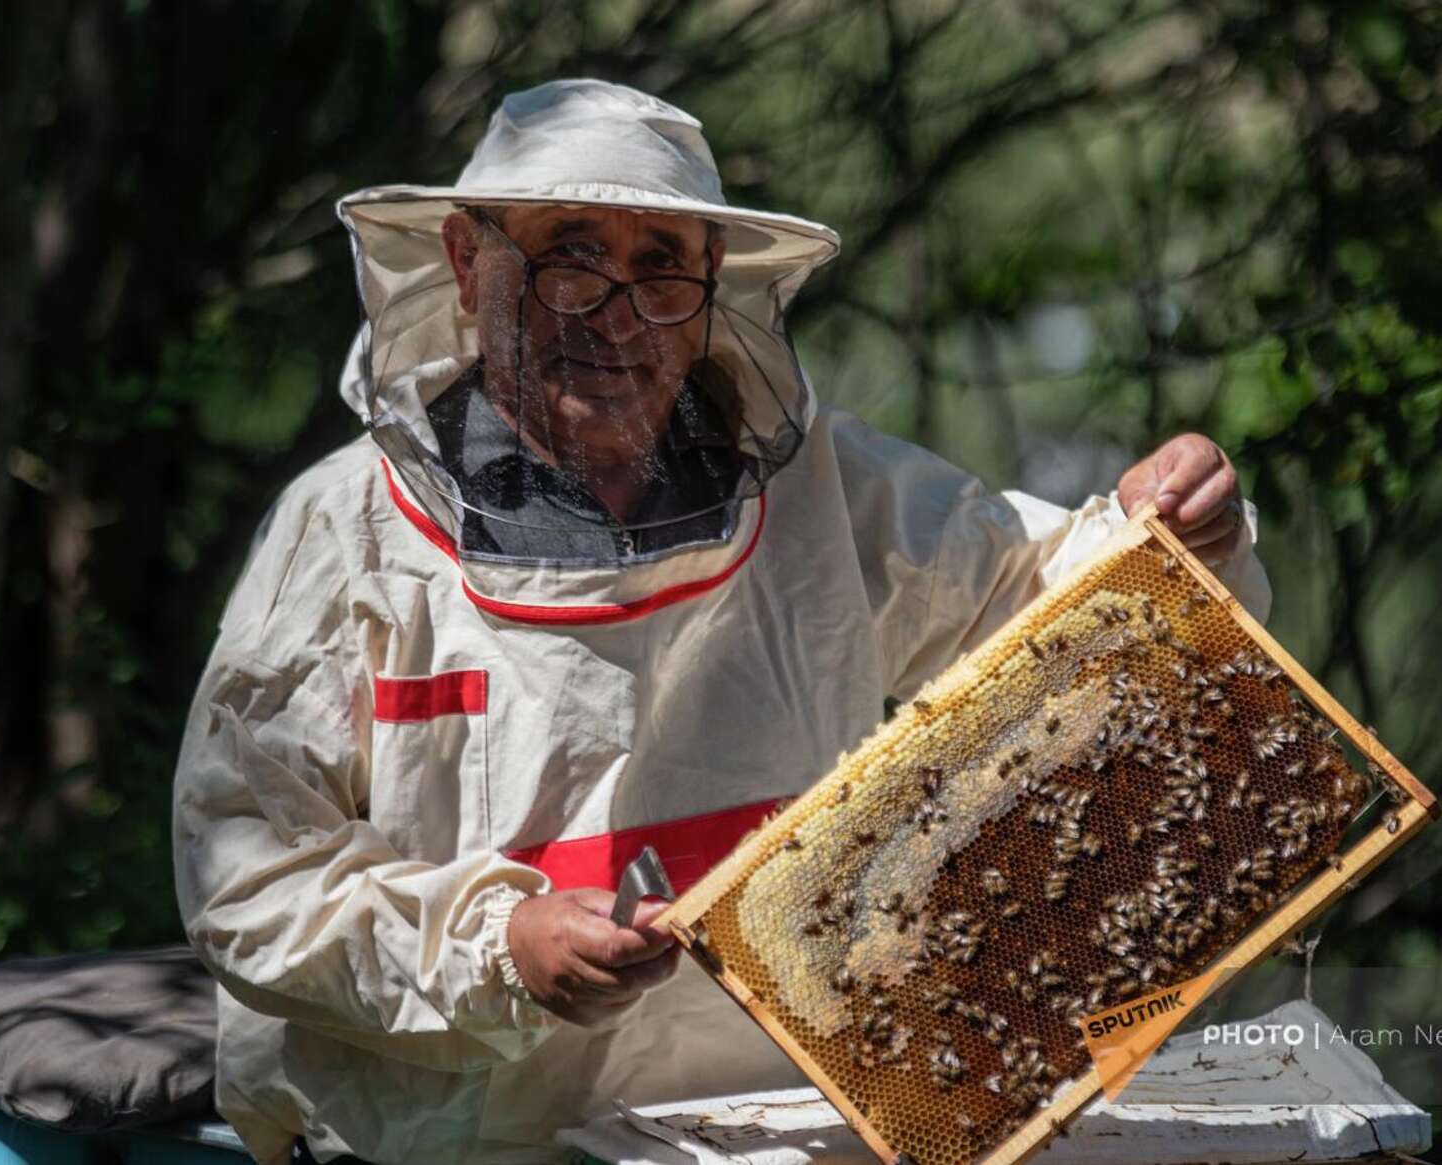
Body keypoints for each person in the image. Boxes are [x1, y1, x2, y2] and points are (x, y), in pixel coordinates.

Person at [172, 79, 1267, 1165]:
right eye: (570, 255)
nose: (613, 314)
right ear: (468, 264)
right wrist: (496, 942)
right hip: (454, 1146)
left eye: (658, 269)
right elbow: (250, 879)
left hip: (781, 1133)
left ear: (708, 288)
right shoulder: (348, 534)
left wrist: (1178, 535)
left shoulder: (822, 493)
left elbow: (1062, 609)